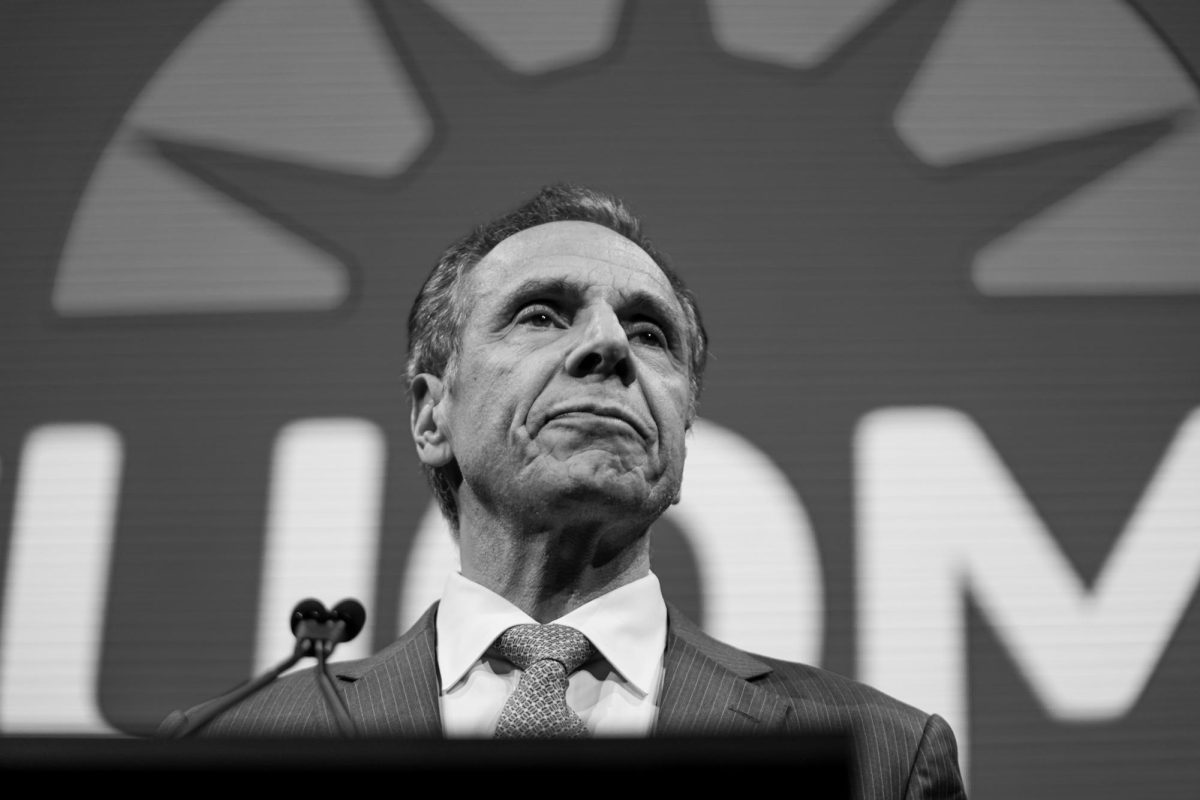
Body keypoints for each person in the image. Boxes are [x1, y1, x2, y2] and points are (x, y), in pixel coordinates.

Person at [159, 183, 966, 799]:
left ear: (683, 428)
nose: (610, 345)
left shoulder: (879, 756)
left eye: (651, 334)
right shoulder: (230, 745)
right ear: (431, 414)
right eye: (542, 315)